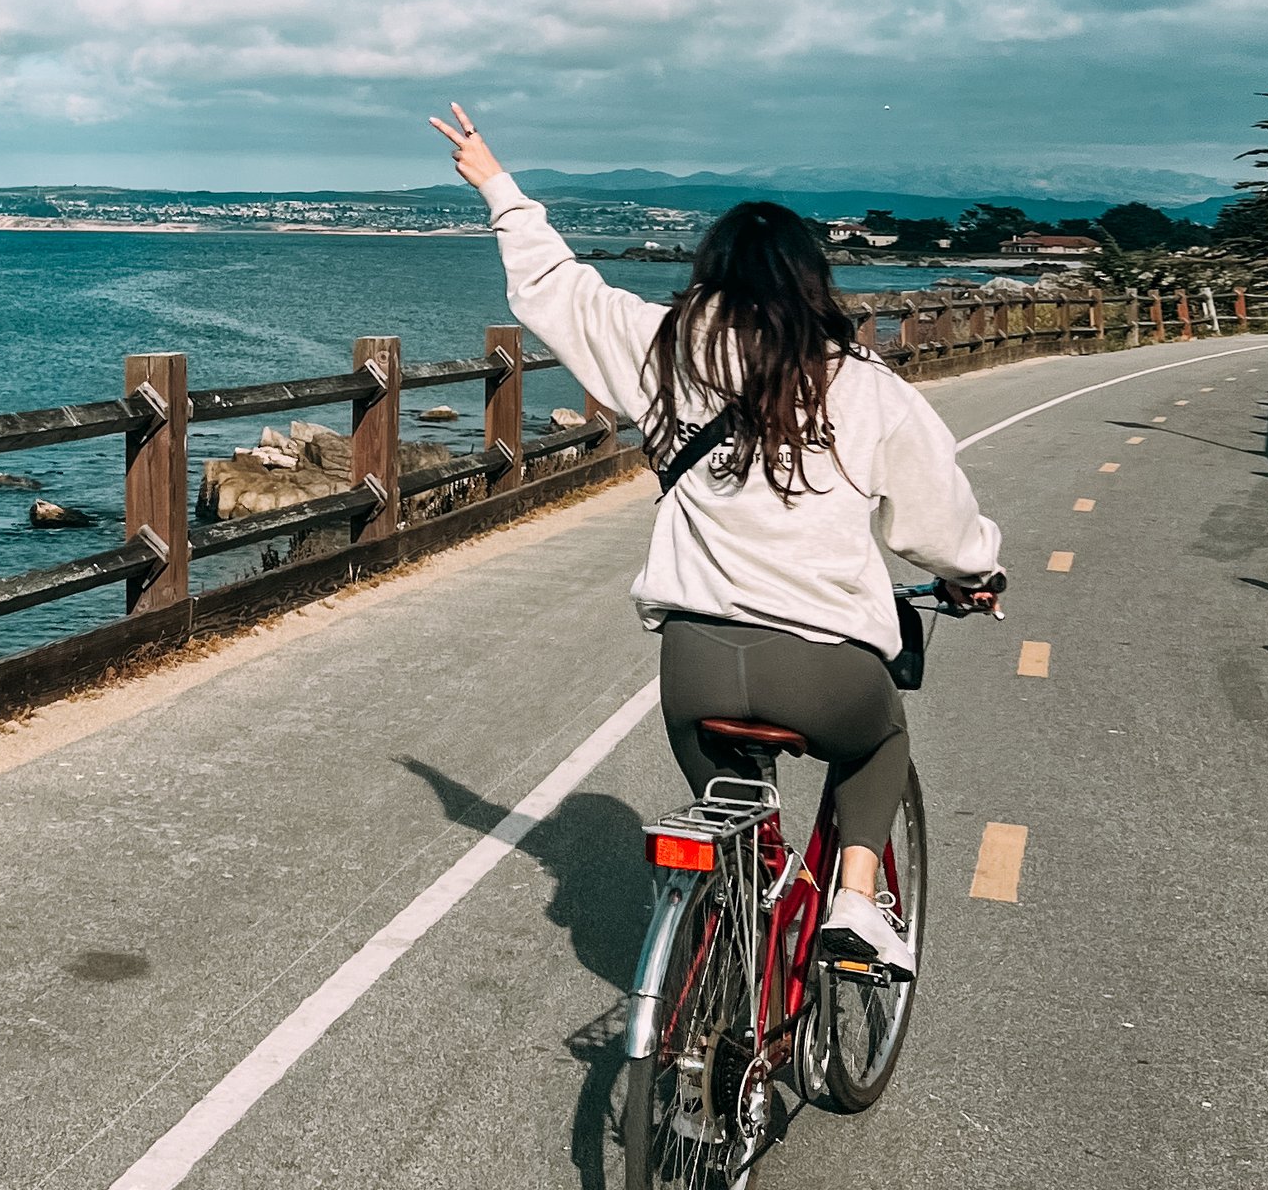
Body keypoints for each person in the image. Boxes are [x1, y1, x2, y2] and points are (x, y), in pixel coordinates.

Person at [429, 102, 1002, 976]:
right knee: (880, 741)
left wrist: (496, 181)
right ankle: (853, 904)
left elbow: (555, 287)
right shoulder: (867, 387)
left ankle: (725, 970)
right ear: (815, 283)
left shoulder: (665, 350)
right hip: (825, 669)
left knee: (735, 819)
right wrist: (976, 572)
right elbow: (939, 526)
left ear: (710, 275)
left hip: (693, 663)